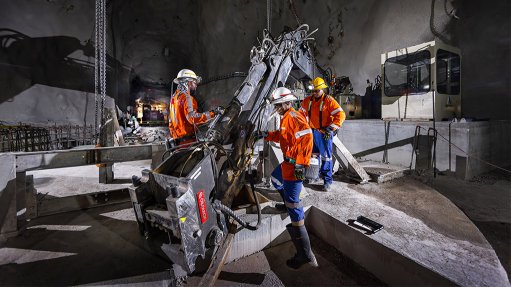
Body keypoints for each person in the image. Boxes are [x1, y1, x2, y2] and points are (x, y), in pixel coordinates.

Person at [259, 87, 318, 269]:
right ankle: (286, 203)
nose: (276, 108)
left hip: (295, 166)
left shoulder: (294, 117)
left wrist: (301, 163)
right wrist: (266, 135)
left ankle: (305, 254)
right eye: (276, 105)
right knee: (276, 179)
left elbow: (308, 137)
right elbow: (282, 136)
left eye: (278, 105)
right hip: (287, 164)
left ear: (287, 103)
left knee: (294, 205)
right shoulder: (285, 118)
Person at [300, 77, 345, 192]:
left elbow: (341, 114)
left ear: (322, 90)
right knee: (313, 156)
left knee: (326, 157)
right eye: (313, 91)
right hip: (311, 132)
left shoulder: (329, 101)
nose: (315, 93)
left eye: (317, 91)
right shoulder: (307, 101)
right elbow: (300, 114)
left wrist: (332, 128)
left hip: (324, 133)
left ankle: (327, 181)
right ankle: (313, 176)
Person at [168, 69, 223, 146]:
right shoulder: (187, 98)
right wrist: (213, 113)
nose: (196, 85)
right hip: (187, 142)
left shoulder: (174, 98)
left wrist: (175, 136)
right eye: (194, 82)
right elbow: (193, 118)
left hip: (177, 143)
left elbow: (170, 120)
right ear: (189, 82)